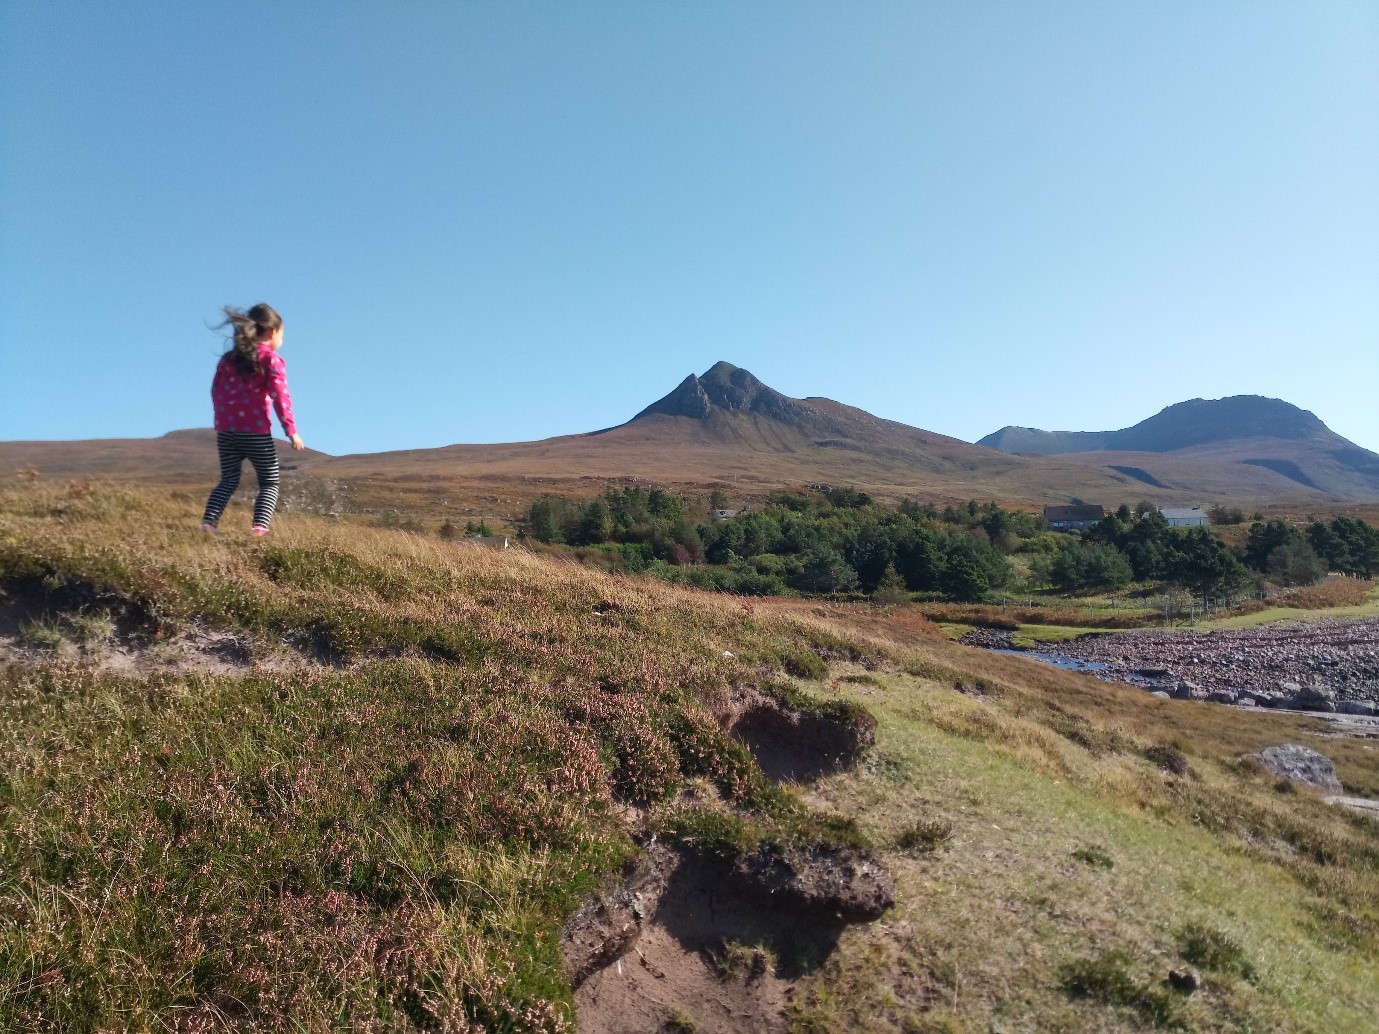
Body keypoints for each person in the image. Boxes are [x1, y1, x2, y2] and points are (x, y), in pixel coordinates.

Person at [200, 303, 305, 536]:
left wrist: (222, 421)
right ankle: (259, 527)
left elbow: (215, 391)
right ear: (271, 332)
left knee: (228, 480)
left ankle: (208, 523)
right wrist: (291, 431)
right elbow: (281, 397)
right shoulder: (271, 359)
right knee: (269, 481)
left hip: (226, 432)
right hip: (256, 432)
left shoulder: (228, 359)